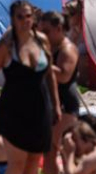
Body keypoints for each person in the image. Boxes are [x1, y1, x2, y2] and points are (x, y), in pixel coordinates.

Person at [0, 0, 59, 174]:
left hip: (40, 110)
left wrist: (56, 104)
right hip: (13, 112)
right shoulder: (7, 46)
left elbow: (49, 72)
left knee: (33, 164)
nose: (25, 20)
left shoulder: (42, 40)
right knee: (17, 165)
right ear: (13, 19)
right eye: (20, 17)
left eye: (28, 16)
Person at [39, 12, 79, 174]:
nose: (44, 35)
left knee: (59, 151)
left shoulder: (67, 49)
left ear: (59, 28)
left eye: (47, 31)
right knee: (51, 152)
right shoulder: (53, 48)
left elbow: (64, 75)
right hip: (57, 107)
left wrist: (42, 62)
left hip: (65, 108)